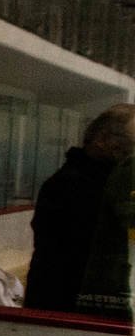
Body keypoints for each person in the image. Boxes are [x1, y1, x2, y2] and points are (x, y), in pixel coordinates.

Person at [25, 104, 135, 317]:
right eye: (130, 145)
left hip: (80, 308)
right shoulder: (72, 185)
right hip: (69, 313)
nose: (130, 154)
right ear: (102, 139)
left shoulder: (101, 182)